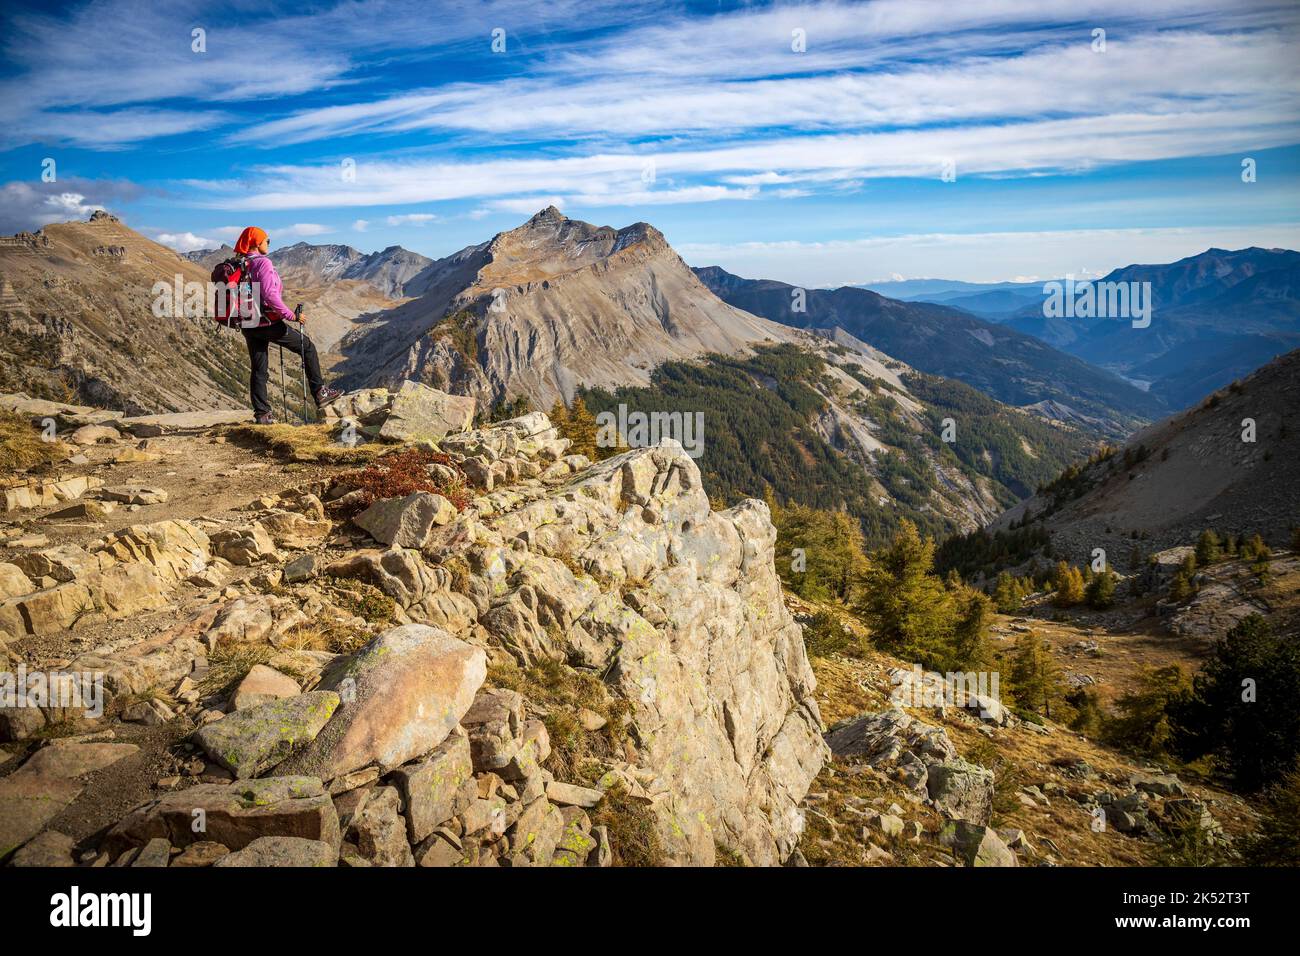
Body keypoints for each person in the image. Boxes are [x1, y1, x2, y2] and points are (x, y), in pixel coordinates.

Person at [232, 226, 340, 423]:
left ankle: (262, 414)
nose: (269, 243)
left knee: (259, 368)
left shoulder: (240, 263)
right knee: (307, 347)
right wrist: (291, 315)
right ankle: (320, 393)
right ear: (257, 242)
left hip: (248, 323)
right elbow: (270, 294)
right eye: (267, 240)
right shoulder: (262, 263)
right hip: (267, 323)